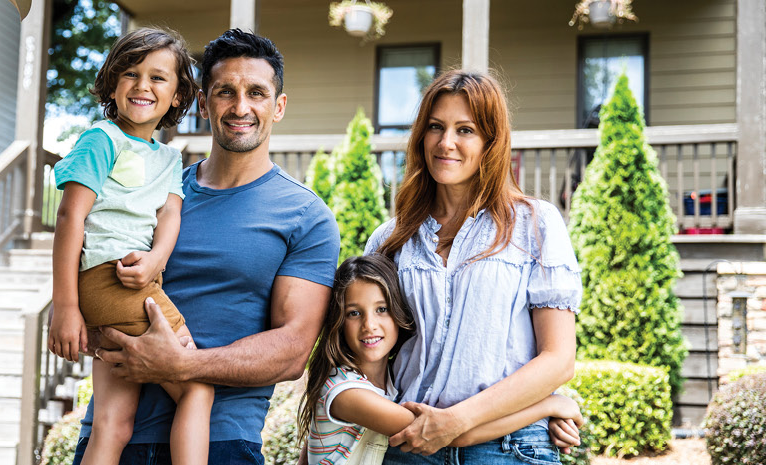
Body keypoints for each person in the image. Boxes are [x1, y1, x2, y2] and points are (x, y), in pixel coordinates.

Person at [81, 28, 341, 465]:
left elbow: (293, 351)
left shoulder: (306, 217)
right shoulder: (156, 192)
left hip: (220, 443)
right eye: (226, 92)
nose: (241, 107)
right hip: (112, 438)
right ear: (203, 102)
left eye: (257, 92)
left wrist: (181, 366)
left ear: (278, 107)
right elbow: (95, 260)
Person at [362, 70, 583, 465]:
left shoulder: (535, 224)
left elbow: (558, 358)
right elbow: (368, 360)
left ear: (490, 142)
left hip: (511, 450)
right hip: (408, 448)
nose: (446, 143)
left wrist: (459, 420)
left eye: (465, 130)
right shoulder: (388, 241)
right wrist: (550, 404)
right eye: (435, 127)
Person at [48, 27, 214, 465]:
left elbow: (170, 216)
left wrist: (157, 258)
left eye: (159, 78)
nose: (143, 86)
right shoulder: (102, 139)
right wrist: (64, 306)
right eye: (131, 73)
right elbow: (70, 218)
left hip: (131, 279)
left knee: (113, 424)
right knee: (196, 387)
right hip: (113, 280)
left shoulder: (168, 158)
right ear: (113, 82)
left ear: (178, 96)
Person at [299, 255, 583, 465]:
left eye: (382, 309)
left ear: (400, 313)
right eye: (354, 313)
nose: (369, 325)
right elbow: (452, 435)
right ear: (338, 322)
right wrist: (549, 405)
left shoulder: (391, 387)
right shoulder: (348, 394)